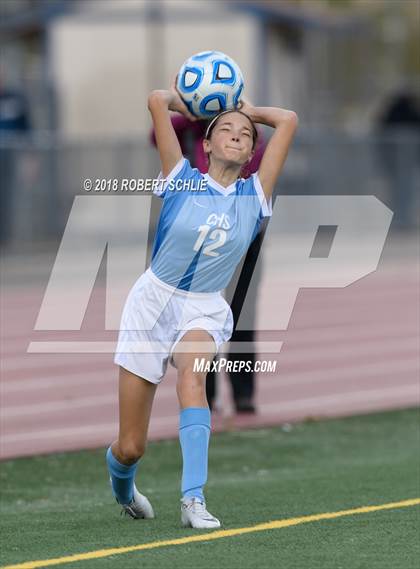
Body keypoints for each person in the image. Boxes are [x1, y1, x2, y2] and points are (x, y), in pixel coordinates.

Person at [107, 82, 298, 529]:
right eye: (226, 129)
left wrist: (244, 108)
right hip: (151, 304)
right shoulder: (180, 177)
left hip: (204, 308)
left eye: (246, 134)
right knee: (131, 446)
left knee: (193, 377)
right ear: (206, 145)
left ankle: (193, 499)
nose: (237, 134)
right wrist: (194, 103)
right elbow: (156, 99)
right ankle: (123, 487)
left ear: (252, 152)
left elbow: (287, 120)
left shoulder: (255, 196)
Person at [150, 115, 267, 414]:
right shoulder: (190, 130)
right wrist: (188, 109)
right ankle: (206, 392)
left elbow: (260, 156)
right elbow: (157, 134)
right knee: (198, 314)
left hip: (240, 231)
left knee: (242, 313)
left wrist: (244, 114)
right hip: (197, 233)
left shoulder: (241, 130)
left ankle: (243, 392)